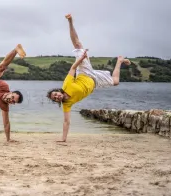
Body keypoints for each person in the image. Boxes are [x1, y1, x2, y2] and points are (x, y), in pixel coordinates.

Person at [46, 14, 131, 142]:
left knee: (78, 45)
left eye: (55, 94)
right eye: (55, 98)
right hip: (95, 82)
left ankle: (70, 21)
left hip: (85, 73)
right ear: (56, 101)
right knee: (116, 81)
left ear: (58, 91)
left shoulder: (66, 85)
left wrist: (81, 59)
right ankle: (119, 61)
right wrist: (63, 140)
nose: (57, 96)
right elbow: (66, 122)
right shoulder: (66, 104)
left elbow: (73, 69)